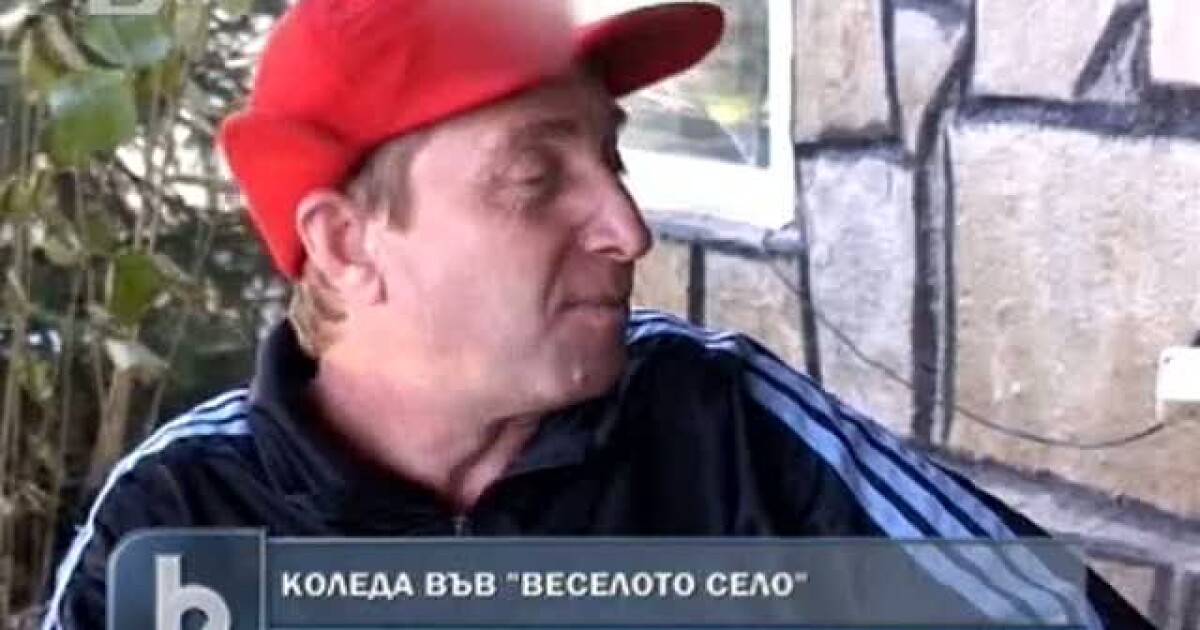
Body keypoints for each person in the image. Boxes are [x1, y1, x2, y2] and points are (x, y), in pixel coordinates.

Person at [39, 0, 1154, 628]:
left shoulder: (724, 423)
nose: (627, 227)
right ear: (345, 245)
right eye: (537, 177)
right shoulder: (175, 523)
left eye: (612, 160)